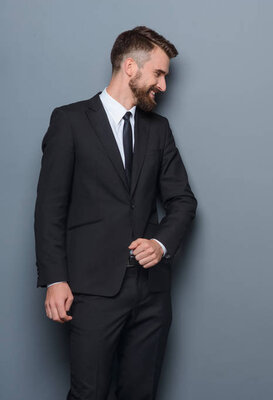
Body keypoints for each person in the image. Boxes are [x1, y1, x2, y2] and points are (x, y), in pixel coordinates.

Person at [34, 26, 197, 399]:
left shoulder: (159, 130)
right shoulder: (70, 121)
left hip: (152, 294)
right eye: (159, 74)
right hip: (90, 291)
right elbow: (49, 208)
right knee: (89, 393)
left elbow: (183, 201)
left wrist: (160, 243)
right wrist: (55, 278)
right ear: (129, 66)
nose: (163, 86)